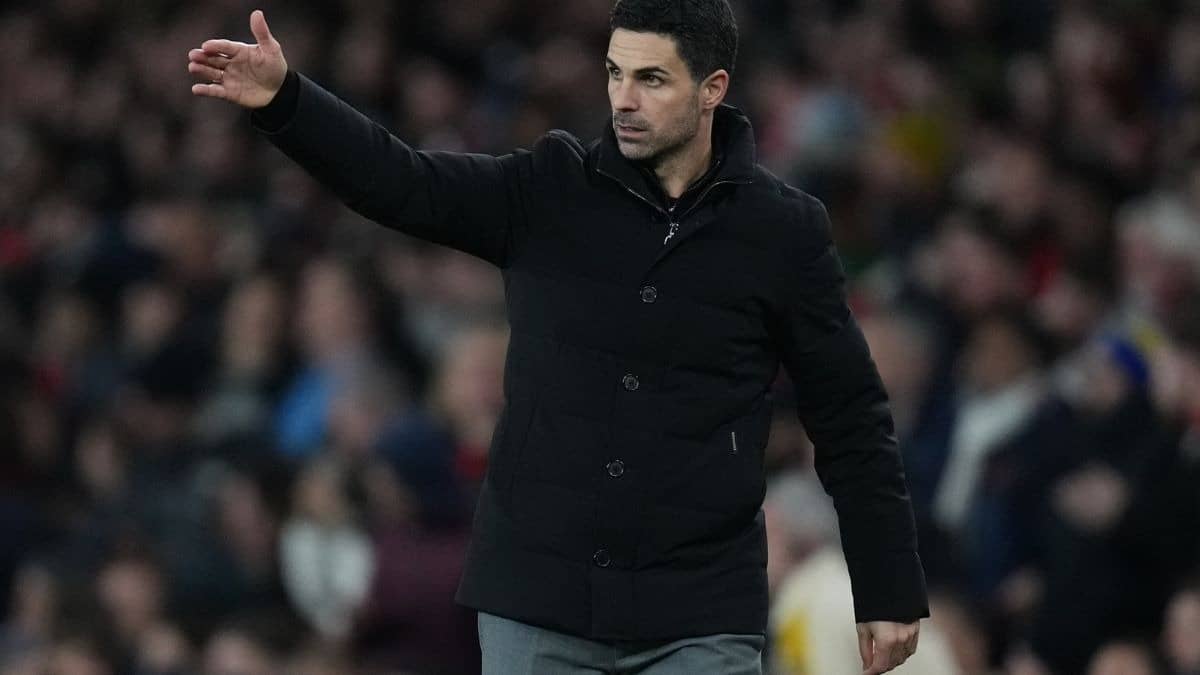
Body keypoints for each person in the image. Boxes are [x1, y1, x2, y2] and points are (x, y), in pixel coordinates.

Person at [187, 2, 929, 672]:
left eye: (651, 79)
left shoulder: (783, 231)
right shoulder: (549, 188)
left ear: (713, 89)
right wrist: (287, 100)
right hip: (538, 600)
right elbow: (401, 181)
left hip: (699, 609)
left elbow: (849, 413)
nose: (624, 99)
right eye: (615, 72)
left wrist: (888, 584)